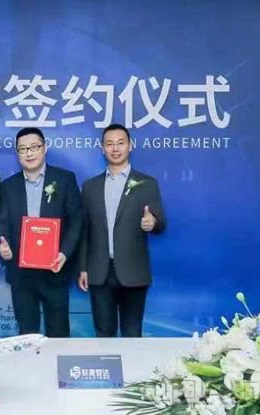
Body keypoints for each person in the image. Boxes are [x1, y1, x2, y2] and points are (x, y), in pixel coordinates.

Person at [79, 123, 166, 337]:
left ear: (130, 146)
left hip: (134, 271)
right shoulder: (90, 187)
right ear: (102, 148)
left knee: (132, 333)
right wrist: (82, 268)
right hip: (100, 271)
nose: (115, 148)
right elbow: (84, 231)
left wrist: (153, 223)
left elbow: (161, 223)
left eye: (120, 143)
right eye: (109, 144)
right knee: (104, 334)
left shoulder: (147, 183)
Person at [0, 127, 83, 337]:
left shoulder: (65, 179)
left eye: (34, 147)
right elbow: (0, 222)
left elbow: (76, 221)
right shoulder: (8, 186)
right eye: (23, 149)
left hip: (55, 269)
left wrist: (64, 253)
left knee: (59, 333)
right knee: (26, 334)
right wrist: (2, 245)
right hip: (21, 274)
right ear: (17, 153)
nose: (29, 153)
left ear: (45, 148)